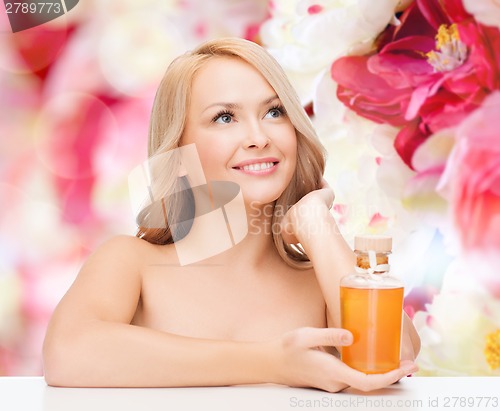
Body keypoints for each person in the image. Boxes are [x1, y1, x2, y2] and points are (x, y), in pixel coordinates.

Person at [42, 37, 420, 392]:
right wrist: (273, 364)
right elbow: (67, 353)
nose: (258, 137)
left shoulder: (321, 283)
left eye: (274, 111)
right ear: (178, 151)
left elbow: (394, 360)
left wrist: (316, 224)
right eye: (225, 117)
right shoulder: (132, 262)